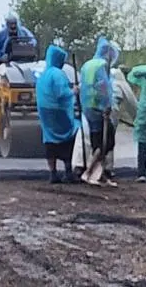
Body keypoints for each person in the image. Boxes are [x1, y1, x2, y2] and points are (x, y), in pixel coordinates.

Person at [78, 37, 120, 184]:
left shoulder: (87, 65)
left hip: (87, 106)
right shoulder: (102, 65)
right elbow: (104, 87)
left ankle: (98, 173)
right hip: (98, 106)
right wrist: (107, 106)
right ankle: (89, 172)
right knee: (106, 142)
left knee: (96, 139)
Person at [35, 44, 79, 183]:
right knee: (68, 138)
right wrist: (74, 91)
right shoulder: (58, 74)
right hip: (59, 112)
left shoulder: (42, 75)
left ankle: (53, 173)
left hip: (45, 113)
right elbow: (62, 94)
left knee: (49, 141)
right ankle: (68, 171)